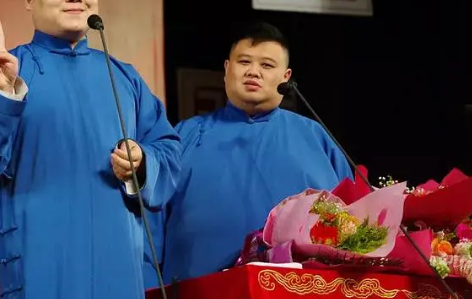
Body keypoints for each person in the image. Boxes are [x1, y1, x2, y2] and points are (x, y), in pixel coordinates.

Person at [0, 0, 182, 299]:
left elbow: (168, 149)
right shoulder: (8, 69)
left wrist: (142, 161)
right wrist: (0, 95)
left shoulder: (123, 76)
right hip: (40, 255)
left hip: (117, 261)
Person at [143, 22, 353, 288]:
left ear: (286, 77)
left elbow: (352, 225)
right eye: (244, 62)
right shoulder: (183, 136)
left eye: (267, 65)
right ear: (226, 69)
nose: (254, 71)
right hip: (197, 289)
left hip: (301, 290)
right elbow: (149, 225)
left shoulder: (316, 138)